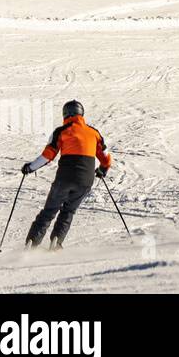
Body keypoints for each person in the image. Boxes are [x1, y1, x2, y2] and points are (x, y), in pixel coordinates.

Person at [21, 101, 112, 250]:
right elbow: (106, 158)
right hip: (85, 181)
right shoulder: (94, 133)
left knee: (50, 210)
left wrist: (30, 168)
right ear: (81, 113)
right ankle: (56, 242)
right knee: (68, 211)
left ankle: (32, 242)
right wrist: (103, 169)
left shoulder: (61, 131)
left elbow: (47, 156)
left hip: (65, 178)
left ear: (65, 114)